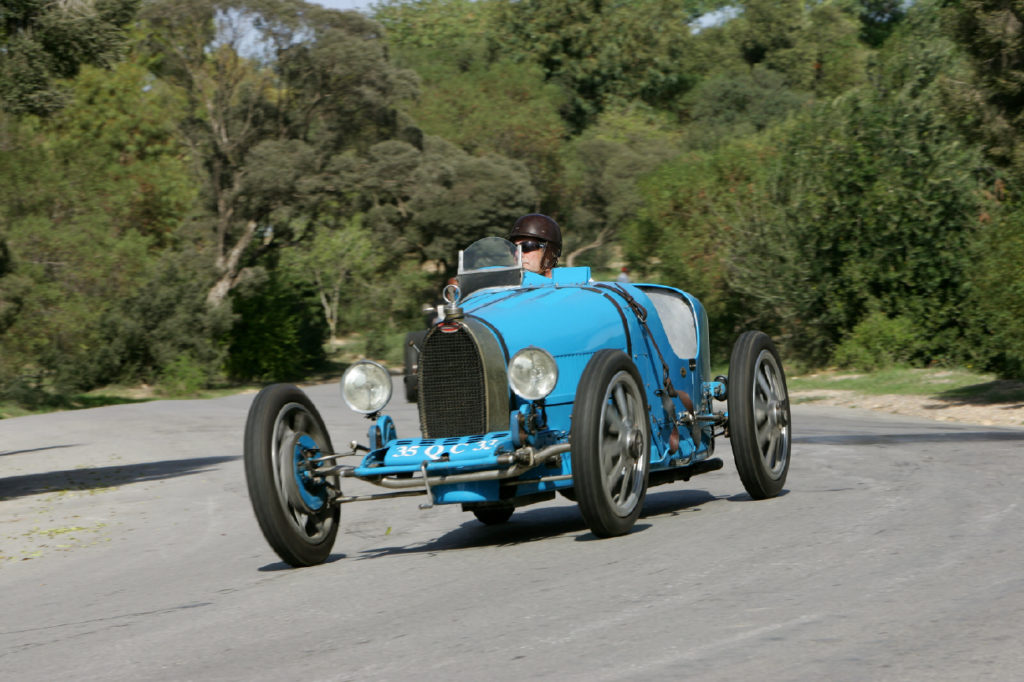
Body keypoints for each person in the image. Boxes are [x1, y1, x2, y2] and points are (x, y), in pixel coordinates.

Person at [507, 213, 562, 278]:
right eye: (513, 247)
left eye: (527, 246)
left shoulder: (569, 285)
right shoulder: (503, 286)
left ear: (549, 253)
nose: (517, 253)